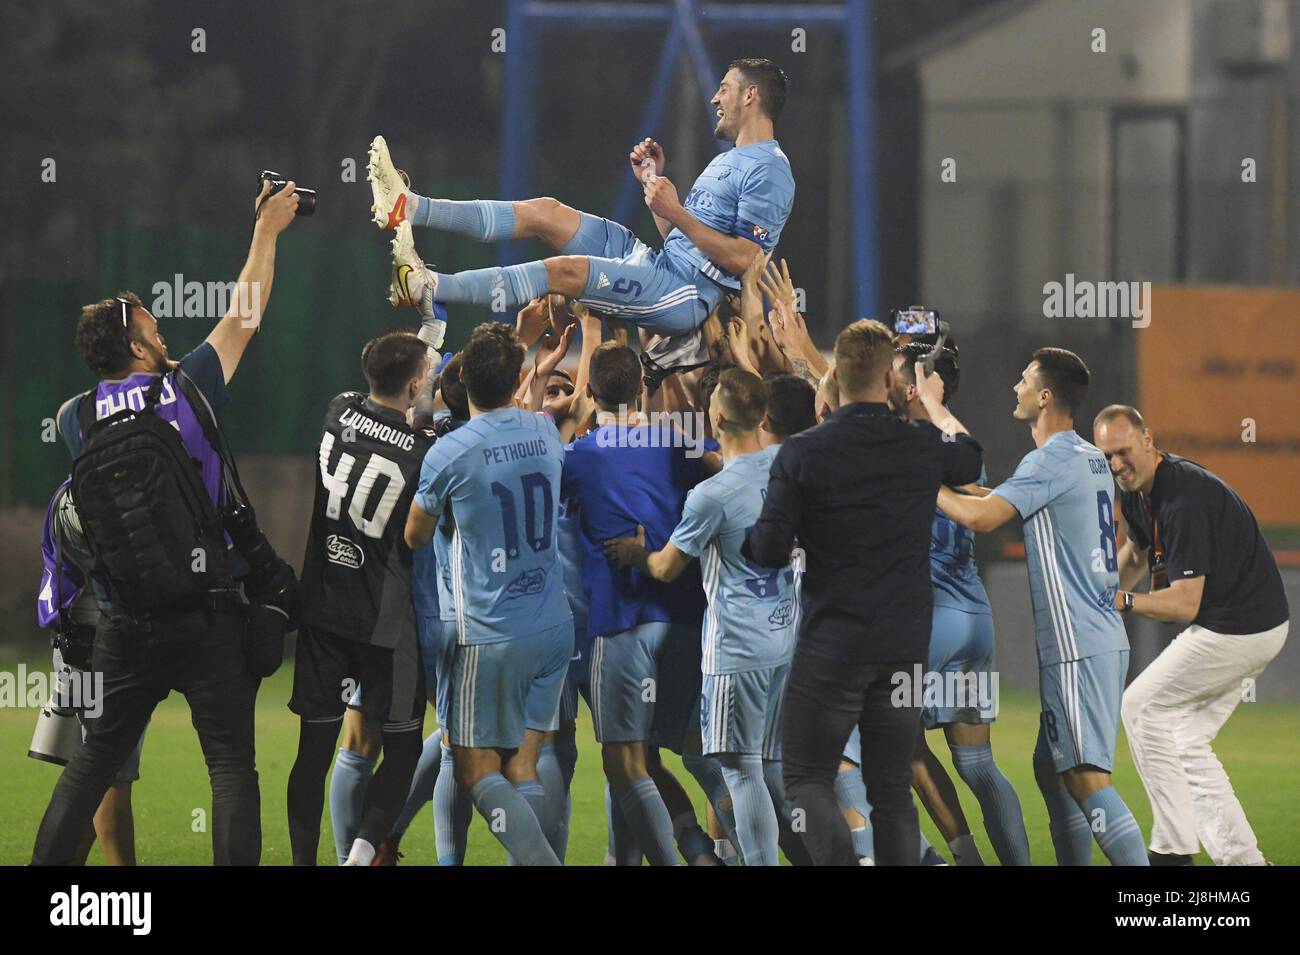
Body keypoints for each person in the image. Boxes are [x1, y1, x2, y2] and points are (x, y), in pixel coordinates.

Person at [31, 180, 300, 866]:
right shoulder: (185, 386)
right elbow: (246, 309)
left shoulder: (73, 417)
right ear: (140, 347)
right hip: (210, 610)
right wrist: (267, 230)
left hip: (126, 618)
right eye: (152, 325)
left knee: (90, 763)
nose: (162, 329)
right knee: (232, 768)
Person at [743, 319, 984, 866]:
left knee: (806, 776)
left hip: (834, 642)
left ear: (838, 378)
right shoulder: (920, 444)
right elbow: (969, 455)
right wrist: (933, 404)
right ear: (891, 380)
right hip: (903, 646)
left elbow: (769, 549)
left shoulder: (803, 452)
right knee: (892, 789)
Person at [372, 58, 794, 338]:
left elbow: (746, 262)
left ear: (750, 95)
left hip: (685, 296)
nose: (715, 98)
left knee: (565, 271)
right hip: (662, 264)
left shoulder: (770, 168)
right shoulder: (732, 159)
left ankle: (429, 286)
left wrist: (678, 213)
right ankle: (408, 206)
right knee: (546, 212)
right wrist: (655, 189)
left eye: (725, 88)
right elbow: (686, 243)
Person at [936, 349, 1149, 866]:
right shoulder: (1083, 458)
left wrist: (923, 485)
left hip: (1078, 646)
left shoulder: (1048, 460)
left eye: (1025, 380)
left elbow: (982, 518)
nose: (1016, 388)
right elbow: (999, 499)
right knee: (1050, 769)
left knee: (1085, 779)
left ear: (1045, 396)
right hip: (1094, 640)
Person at [604, 369, 807, 866]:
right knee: (767, 764)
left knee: (739, 770)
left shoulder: (709, 498)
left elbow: (667, 567)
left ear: (715, 416)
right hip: (787, 636)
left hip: (737, 648)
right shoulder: (789, 465)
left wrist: (635, 553)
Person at [404, 322, 573, 866]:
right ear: (520, 378)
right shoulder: (545, 431)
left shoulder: (450, 453)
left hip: (491, 630)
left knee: (474, 768)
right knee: (524, 764)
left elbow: (414, 536)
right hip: (551, 621)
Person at [1094, 404, 1289, 866]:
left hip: (1240, 628)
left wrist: (1119, 603)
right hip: (1244, 624)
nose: (1116, 464)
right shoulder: (1140, 490)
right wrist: (1099, 597)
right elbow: (1137, 555)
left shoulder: (1185, 499)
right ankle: (1244, 863)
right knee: (1184, 742)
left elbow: (1183, 604)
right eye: (1106, 457)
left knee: (1141, 705)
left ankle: (1172, 852)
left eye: (1122, 451)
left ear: (1148, 439)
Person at [561, 341, 726, 865]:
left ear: (589, 391)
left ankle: (680, 857)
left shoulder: (578, 456)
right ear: (642, 388)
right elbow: (729, 473)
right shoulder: (682, 445)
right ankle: (718, 849)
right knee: (698, 753)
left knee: (626, 762)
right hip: (686, 617)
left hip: (621, 619)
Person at [286, 331, 436, 866]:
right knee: (402, 748)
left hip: (323, 607)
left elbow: (391, 390)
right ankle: (361, 856)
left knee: (314, 752)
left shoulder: (338, 410)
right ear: (417, 381)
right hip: (383, 621)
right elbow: (420, 420)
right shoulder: (425, 451)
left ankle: (306, 860)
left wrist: (420, 347)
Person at [890, 343, 1031, 866]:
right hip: (973, 617)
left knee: (897, 747)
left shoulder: (902, 442)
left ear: (912, 388)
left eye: (893, 374)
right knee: (977, 764)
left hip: (927, 621)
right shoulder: (961, 444)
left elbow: (842, 398)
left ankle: (961, 858)